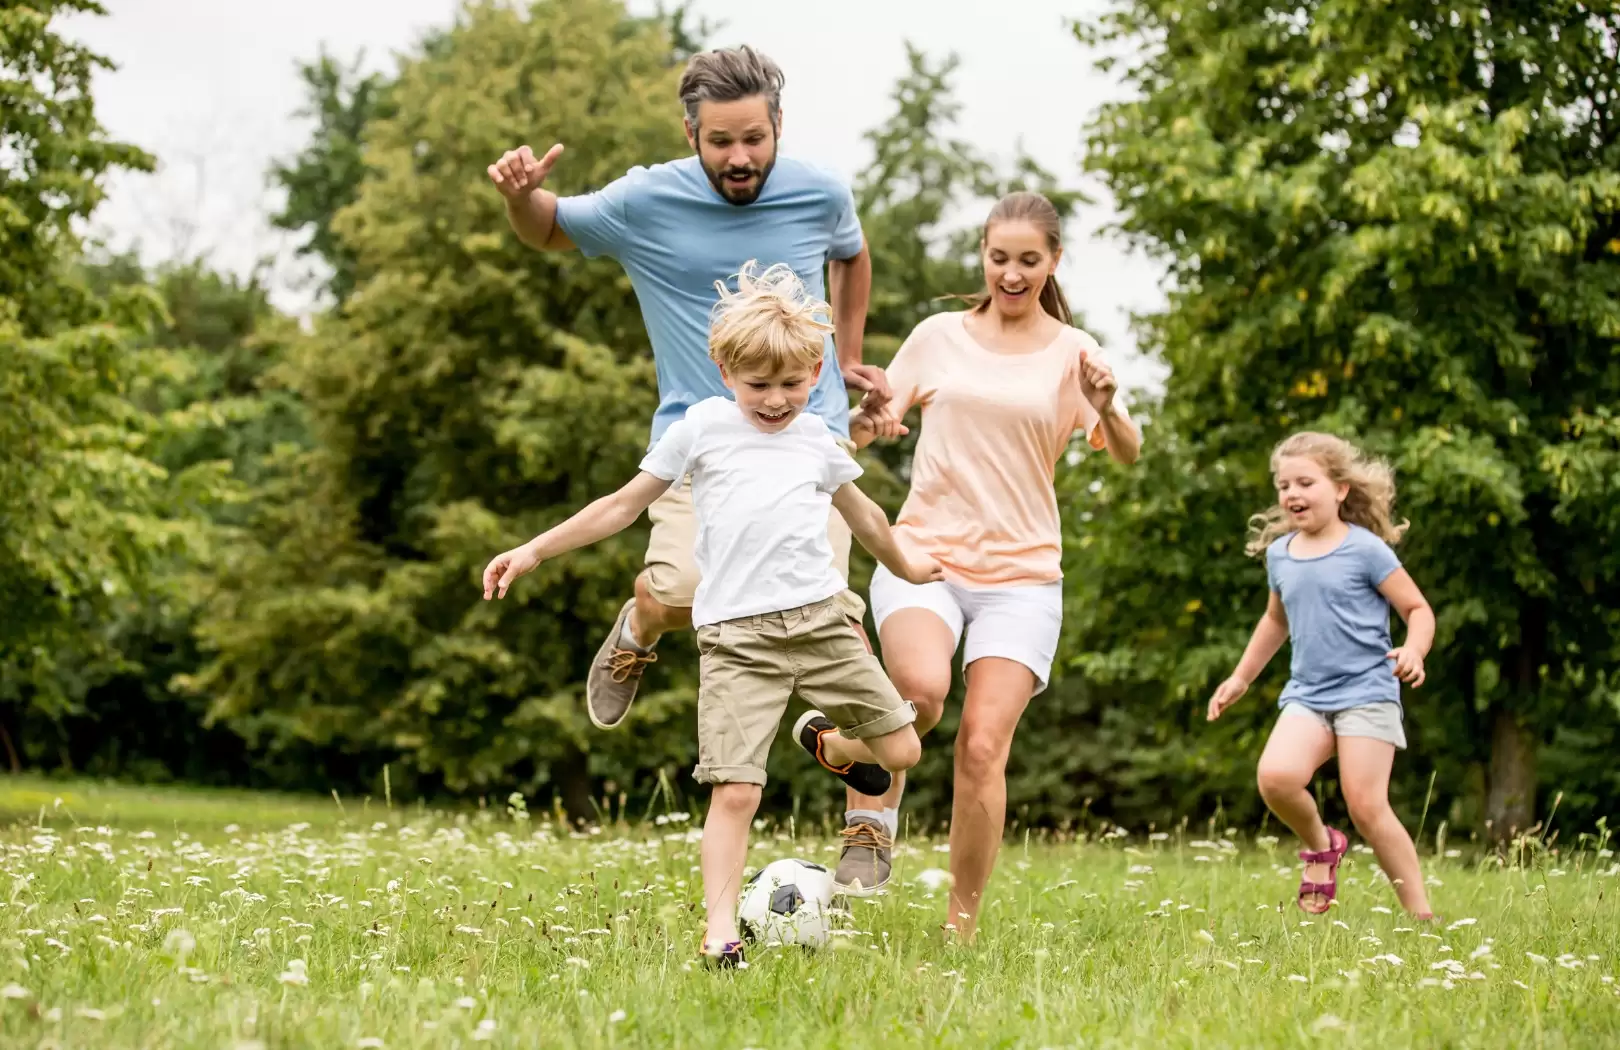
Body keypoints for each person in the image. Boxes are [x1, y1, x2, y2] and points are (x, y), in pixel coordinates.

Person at [480, 262, 939, 966]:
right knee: (735, 792)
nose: (777, 400)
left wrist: (912, 567)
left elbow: (868, 518)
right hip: (738, 641)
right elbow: (622, 505)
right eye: (759, 385)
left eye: (792, 384)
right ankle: (719, 931)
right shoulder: (702, 430)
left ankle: (829, 744)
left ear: (816, 371)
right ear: (724, 370)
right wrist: (535, 550)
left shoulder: (819, 439)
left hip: (820, 626)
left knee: (902, 750)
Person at [486, 45, 891, 732]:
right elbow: (547, 229)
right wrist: (521, 196)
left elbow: (850, 252)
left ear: (779, 126)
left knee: (831, 617)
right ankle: (642, 619)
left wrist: (846, 355)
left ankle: (868, 824)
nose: (740, 157)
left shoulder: (821, 193)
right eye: (722, 141)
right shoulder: (645, 201)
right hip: (699, 446)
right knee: (685, 593)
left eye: (754, 139)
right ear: (691, 134)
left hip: (809, 436)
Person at [813, 192, 1141, 941]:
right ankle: (859, 795)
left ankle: (960, 927)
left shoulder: (1074, 353)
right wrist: (872, 423)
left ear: (1053, 262)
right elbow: (864, 428)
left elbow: (1126, 451)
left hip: (1023, 578)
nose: (1013, 273)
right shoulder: (938, 337)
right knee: (920, 697)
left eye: (1030, 260)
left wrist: (1109, 405)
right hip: (925, 555)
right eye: (1000, 258)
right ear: (984, 257)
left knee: (984, 746)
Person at [1206, 431, 1436, 919]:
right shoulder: (1281, 555)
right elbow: (1275, 621)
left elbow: (1417, 608)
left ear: (1341, 490)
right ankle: (1321, 844)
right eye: (1283, 485)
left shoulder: (1366, 551)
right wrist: (1241, 678)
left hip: (1367, 691)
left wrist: (1414, 650)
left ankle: (1422, 917)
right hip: (1308, 694)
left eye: (1305, 482)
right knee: (1276, 777)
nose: (1292, 494)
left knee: (1367, 807)